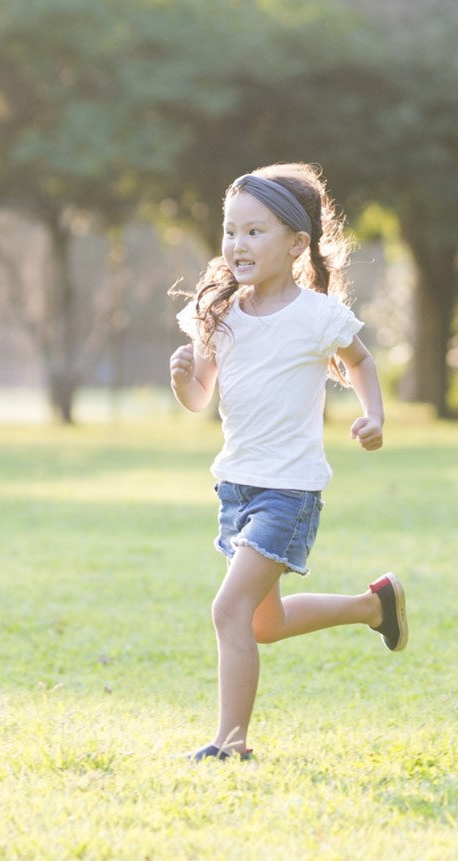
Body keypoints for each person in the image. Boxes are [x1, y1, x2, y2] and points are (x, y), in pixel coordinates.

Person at [169, 163, 407, 762]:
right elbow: (201, 398)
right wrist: (182, 381)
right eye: (231, 231)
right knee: (262, 624)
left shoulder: (317, 315)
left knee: (229, 609)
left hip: (289, 493)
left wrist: (373, 415)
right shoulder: (219, 313)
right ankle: (372, 606)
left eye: (255, 232)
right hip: (237, 490)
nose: (237, 245)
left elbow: (361, 363)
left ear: (297, 244)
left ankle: (232, 744)